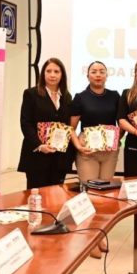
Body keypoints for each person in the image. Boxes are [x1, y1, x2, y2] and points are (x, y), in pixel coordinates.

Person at [17, 58, 80, 189]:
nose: (52, 75)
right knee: (37, 194)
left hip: (60, 157)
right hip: (37, 156)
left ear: (62, 75)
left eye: (56, 71)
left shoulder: (67, 97)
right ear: (43, 73)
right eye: (49, 71)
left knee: (57, 195)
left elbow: (67, 126)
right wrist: (39, 145)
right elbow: (26, 123)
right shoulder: (31, 94)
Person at [70, 61, 122, 184]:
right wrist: (79, 146)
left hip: (109, 151)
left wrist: (117, 139)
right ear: (87, 76)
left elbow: (122, 122)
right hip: (87, 149)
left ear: (106, 76)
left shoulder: (115, 96)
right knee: (89, 187)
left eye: (102, 72)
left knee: (106, 188)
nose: (98, 75)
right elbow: (71, 127)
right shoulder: (80, 97)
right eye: (93, 72)